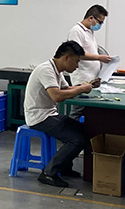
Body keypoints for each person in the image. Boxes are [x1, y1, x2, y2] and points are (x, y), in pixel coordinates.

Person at [24, 40, 99, 187]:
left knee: (85, 131)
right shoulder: (46, 70)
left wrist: (87, 85)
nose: (77, 66)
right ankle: (48, 173)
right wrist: (81, 89)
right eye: (76, 61)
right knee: (76, 140)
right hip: (39, 117)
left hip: (50, 114)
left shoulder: (56, 70)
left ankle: (64, 167)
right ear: (66, 58)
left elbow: (67, 89)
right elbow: (57, 96)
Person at [66, 5, 113, 119]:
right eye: (100, 22)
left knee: (89, 112)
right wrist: (99, 58)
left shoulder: (89, 32)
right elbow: (77, 53)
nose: (100, 25)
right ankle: (70, 130)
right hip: (81, 80)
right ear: (91, 18)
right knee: (77, 111)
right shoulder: (76, 31)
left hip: (91, 81)